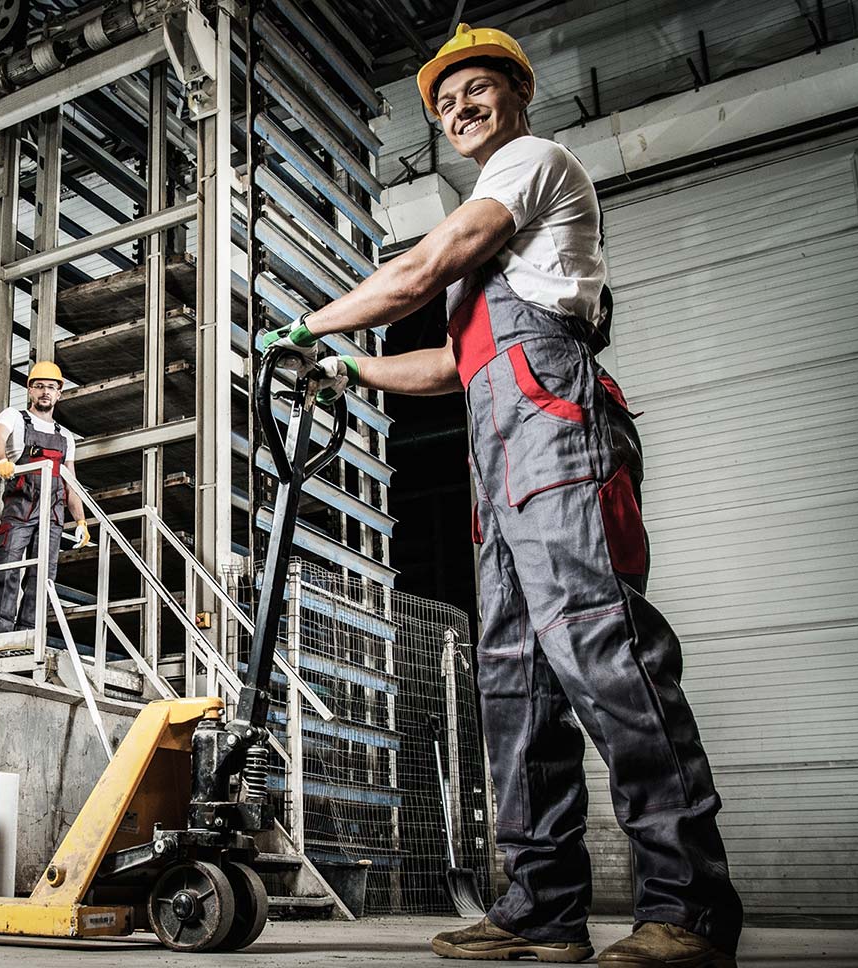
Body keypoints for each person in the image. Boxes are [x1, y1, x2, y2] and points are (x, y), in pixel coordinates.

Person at [261, 23, 743, 968]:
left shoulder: (530, 163)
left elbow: (419, 270)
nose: (459, 109)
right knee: (513, 680)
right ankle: (542, 908)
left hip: (558, 431)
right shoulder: (498, 221)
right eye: (444, 103)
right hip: (503, 451)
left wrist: (304, 326)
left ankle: (689, 908)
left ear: (517, 95)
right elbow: (450, 362)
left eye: (475, 89)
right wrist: (349, 367)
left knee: (602, 648)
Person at [0, 361, 90, 634]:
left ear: (59, 394)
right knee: (7, 568)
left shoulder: (65, 437)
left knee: (42, 577)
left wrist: (80, 521)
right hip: (20, 508)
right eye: (40, 386)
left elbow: (70, 482)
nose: (45, 392)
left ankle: (28, 635)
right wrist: (0, 461)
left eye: (51, 388)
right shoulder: (14, 417)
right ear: (30, 390)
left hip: (52, 516)